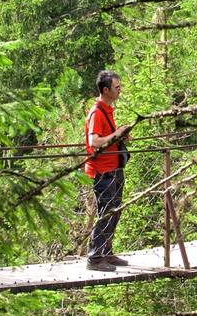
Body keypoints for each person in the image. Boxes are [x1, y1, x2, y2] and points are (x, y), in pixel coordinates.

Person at [83, 70, 132, 272]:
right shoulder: (97, 112)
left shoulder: (107, 110)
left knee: (114, 212)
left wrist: (119, 135)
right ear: (106, 90)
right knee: (106, 213)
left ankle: (106, 251)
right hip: (104, 171)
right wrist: (116, 134)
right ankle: (95, 259)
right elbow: (94, 142)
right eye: (116, 87)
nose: (120, 90)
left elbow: (107, 138)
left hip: (114, 168)